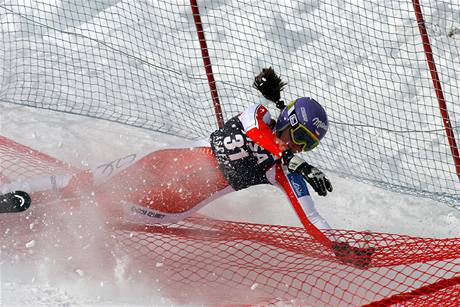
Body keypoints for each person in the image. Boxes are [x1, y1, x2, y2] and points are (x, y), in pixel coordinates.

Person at [0, 67, 373, 268]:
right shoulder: (256, 116)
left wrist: (337, 246)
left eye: (309, 143)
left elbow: (311, 217)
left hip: (170, 201)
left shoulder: (279, 171)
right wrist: (292, 157)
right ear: (288, 119)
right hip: (160, 161)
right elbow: (261, 135)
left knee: (94, 206)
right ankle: (11, 200)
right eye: (300, 135)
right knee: (81, 183)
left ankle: (26, 237)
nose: (299, 145)